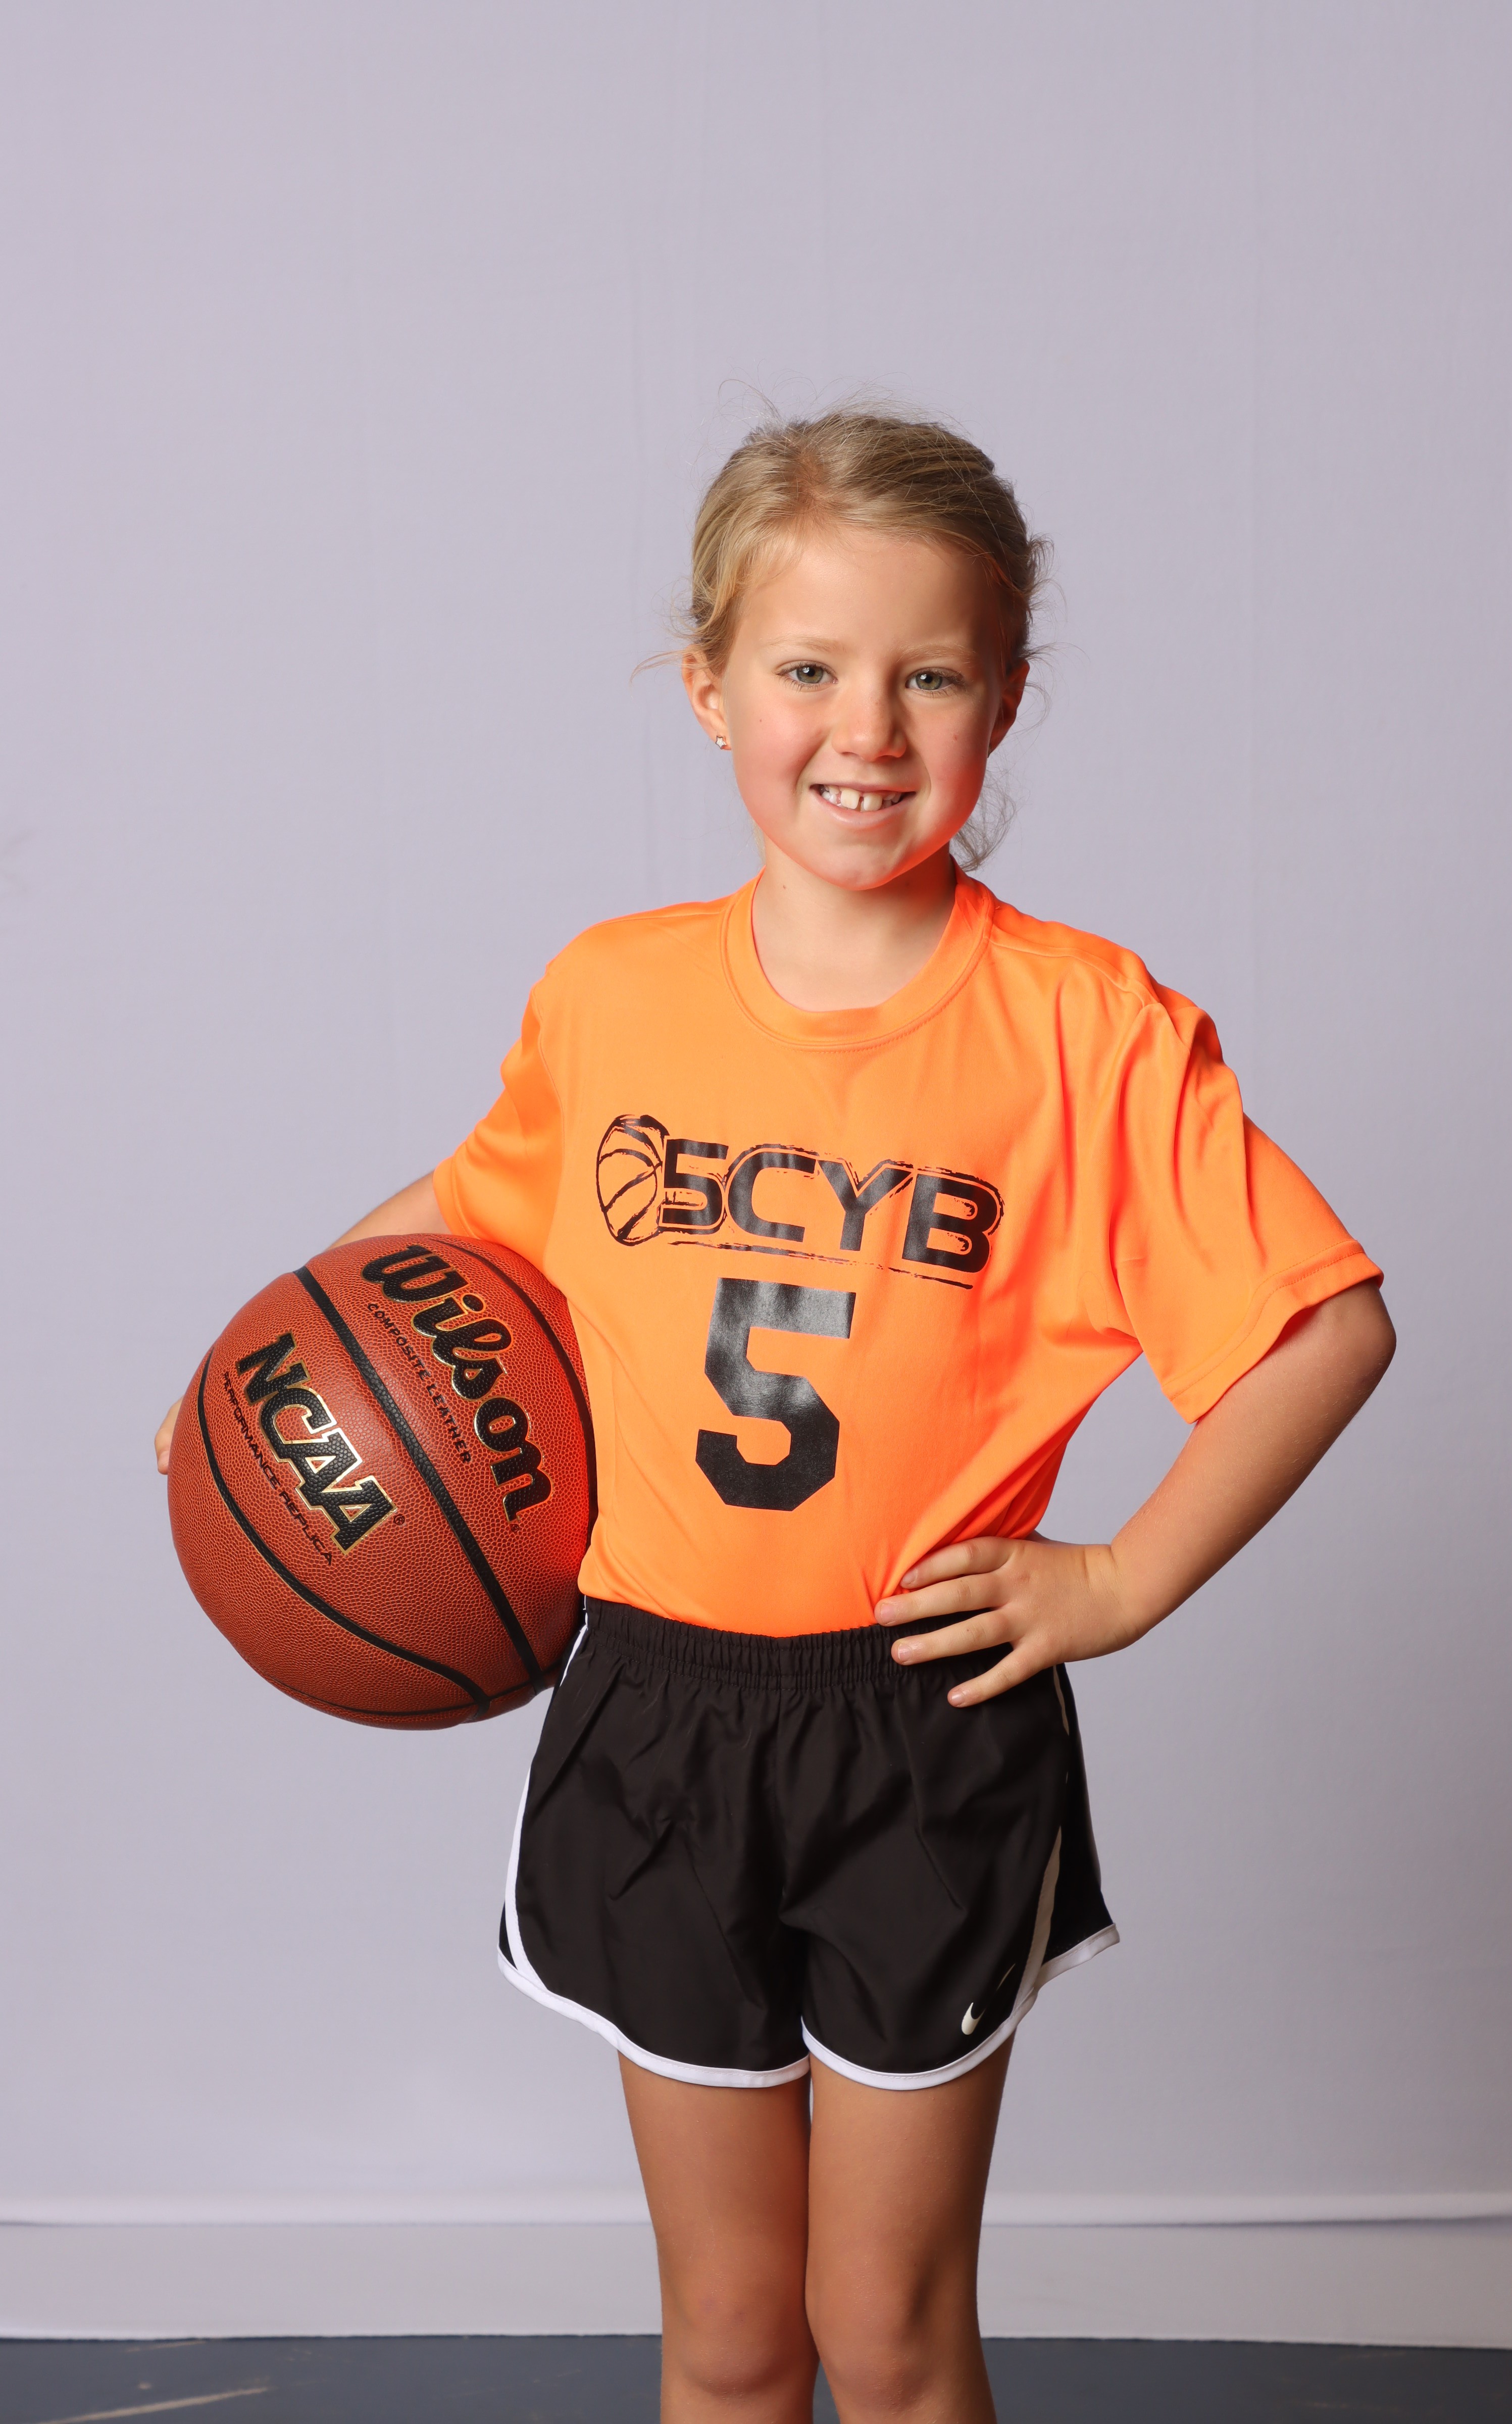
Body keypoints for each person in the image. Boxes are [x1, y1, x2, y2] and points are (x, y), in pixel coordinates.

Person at [156, 409, 1394, 2424]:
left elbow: (1320, 1325)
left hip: (919, 1724)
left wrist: (1119, 1581)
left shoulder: (1082, 1030)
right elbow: (467, 1218)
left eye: (932, 677)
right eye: (809, 668)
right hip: (654, 1706)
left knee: (885, 2339)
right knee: (731, 2336)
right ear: (709, 686)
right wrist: (247, 1387)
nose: (866, 731)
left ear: (1006, 695)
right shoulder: (613, 994)